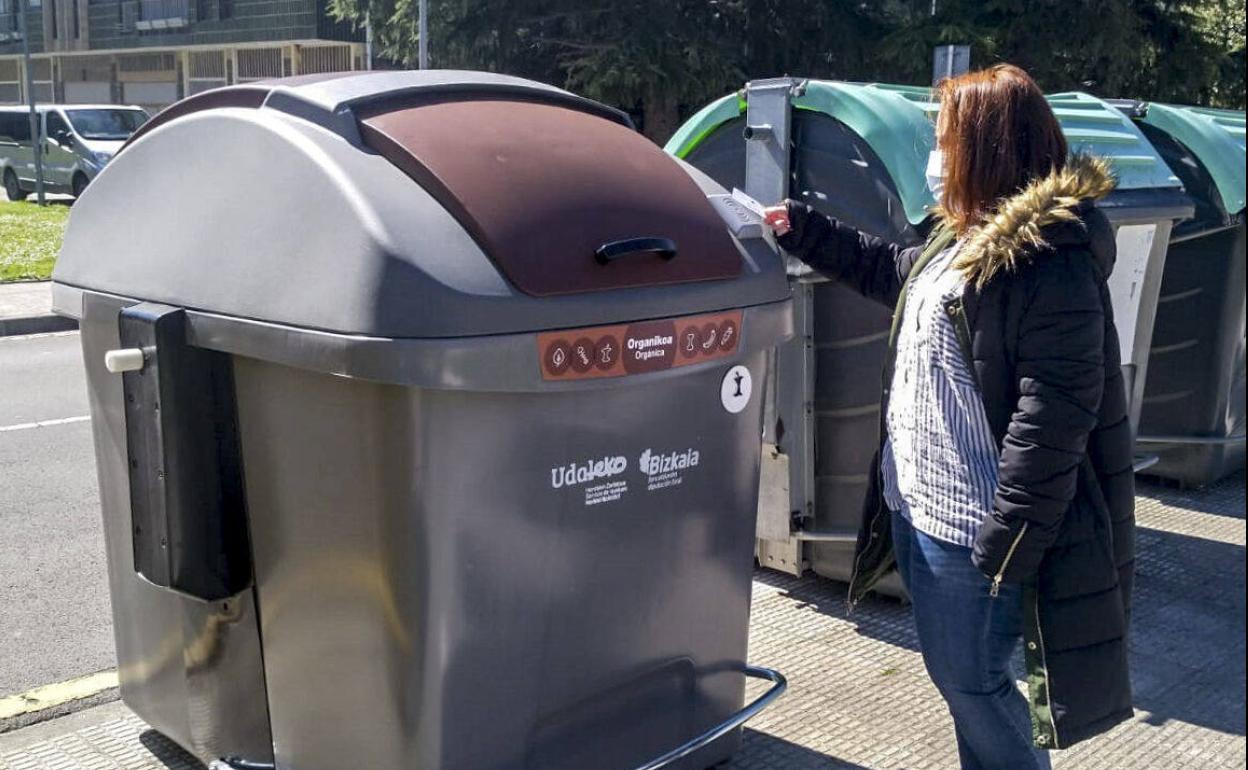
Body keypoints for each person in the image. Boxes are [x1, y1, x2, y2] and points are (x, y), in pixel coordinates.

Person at [763, 64, 1136, 770]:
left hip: (974, 529)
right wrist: (803, 230)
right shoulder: (962, 237)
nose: (934, 156)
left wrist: (1009, 539)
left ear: (987, 148)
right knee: (960, 681)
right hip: (917, 504)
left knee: (974, 683)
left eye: (944, 140)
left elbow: (1054, 415)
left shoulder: (1047, 263)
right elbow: (891, 271)